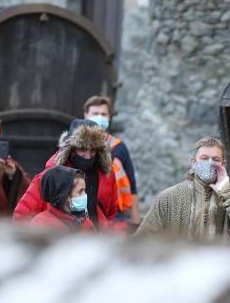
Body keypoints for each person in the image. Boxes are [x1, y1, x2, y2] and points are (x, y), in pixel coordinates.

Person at [136, 136, 230, 241]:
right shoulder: (168, 198)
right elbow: (142, 240)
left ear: (223, 164)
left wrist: (226, 192)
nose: (210, 163)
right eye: (204, 158)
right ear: (193, 162)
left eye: (216, 159)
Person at [13, 119, 118, 231]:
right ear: (71, 148)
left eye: (93, 150)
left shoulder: (106, 176)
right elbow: (21, 217)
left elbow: (112, 214)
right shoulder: (50, 177)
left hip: (95, 242)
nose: (88, 155)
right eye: (82, 148)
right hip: (56, 242)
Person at [83, 96, 139, 227]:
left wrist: (136, 224)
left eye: (104, 114)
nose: (100, 117)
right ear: (86, 115)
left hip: (115, 215)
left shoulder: (119, 147)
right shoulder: (76, 146)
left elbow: (132, 185)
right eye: (95, 114)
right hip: (85, 213)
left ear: (109, 117)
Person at [29, 165, 95, 232]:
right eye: (80, 191)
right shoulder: (41, 223)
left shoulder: (86, 223)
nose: (85, 195)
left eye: (84, 190)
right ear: (64, 195)